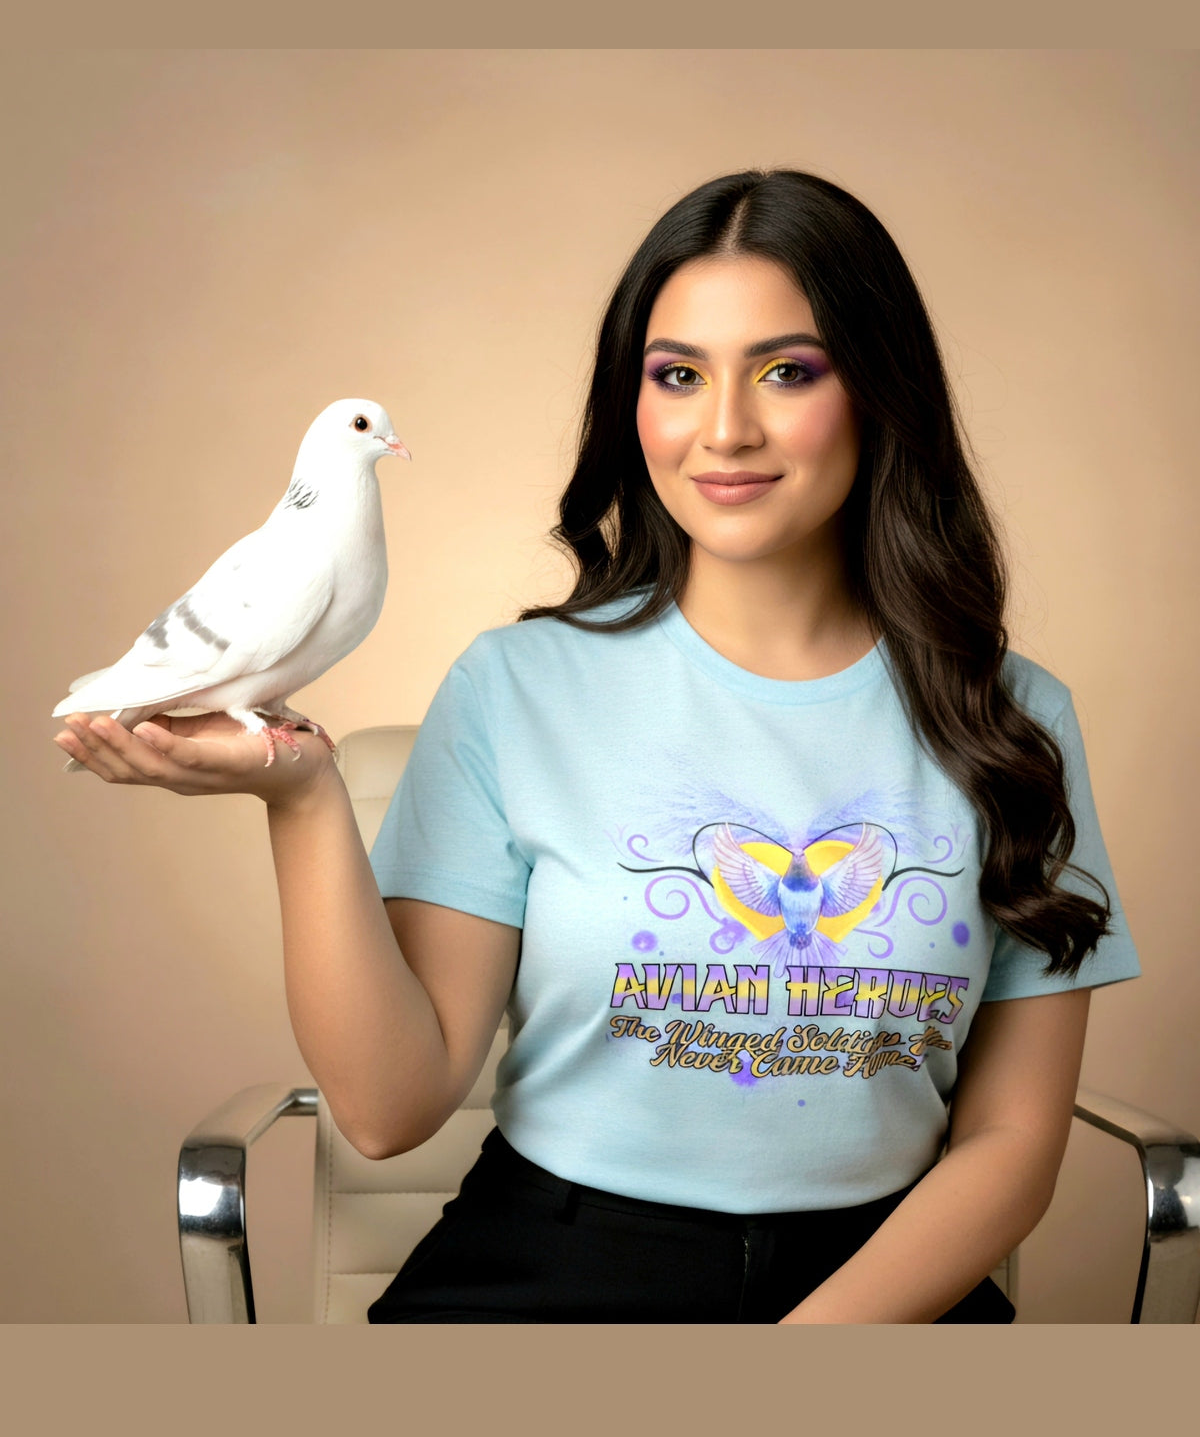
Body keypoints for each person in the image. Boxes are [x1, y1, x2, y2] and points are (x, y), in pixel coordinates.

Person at [54, 167, 1141, 1324]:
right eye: (678, 375)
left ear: (879, 392)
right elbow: (386, 1109)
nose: (725, 428)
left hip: (886, 1288)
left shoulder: (1015, 720)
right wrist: (303, 796)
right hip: (554, 1270)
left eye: (787, 371)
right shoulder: (516, 688)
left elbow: (1015, 1143)